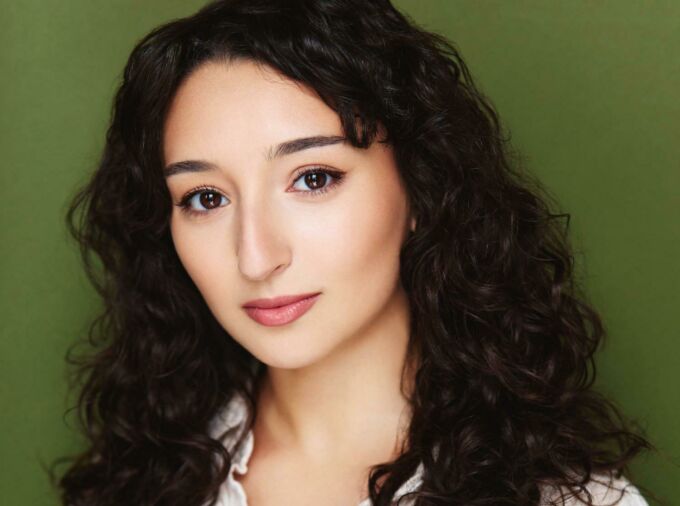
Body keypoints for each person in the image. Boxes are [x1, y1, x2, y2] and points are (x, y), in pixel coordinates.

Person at [54, 0, 657, 505]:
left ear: (421, 185)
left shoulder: (569, 499)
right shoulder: (136, 484)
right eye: (206, 197)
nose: (256, 258)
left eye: (313, 178)